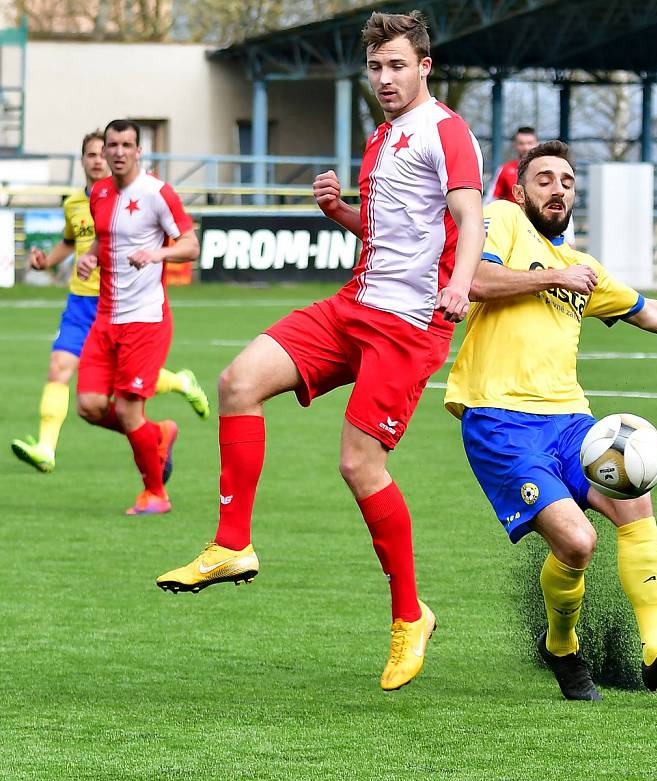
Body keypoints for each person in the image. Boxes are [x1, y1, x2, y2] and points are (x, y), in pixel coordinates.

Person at [156, 10, 485, 692]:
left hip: (408, 326)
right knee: (237, 381)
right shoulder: (383, 136)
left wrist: (458, 283)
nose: (385, 79)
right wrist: (340, 213)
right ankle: (232, 544)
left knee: (358, 463)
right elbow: (391, 227)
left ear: (425, 66)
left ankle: (408, 618)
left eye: (397, 66)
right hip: (353, 305)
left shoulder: (446, 131)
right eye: (376, 68)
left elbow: (468, 216)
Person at [445, 140, 657, 700]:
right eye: (545, 179)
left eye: (568, 181)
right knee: (577, 545)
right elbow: (474, 281)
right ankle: (561, 647)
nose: (558, 188)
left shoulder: (584, 266)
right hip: (501, 421)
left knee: (634, 500)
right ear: (520, 190)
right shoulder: (501, 220)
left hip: (570, 419)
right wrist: (555, 279)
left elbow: (649, 311)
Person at [11, 130, 209, 475]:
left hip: (119, 306)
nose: (99, 160)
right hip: (80, 302)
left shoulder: (129, 198)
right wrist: (48, 261)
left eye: (104, 153)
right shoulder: (77, 202)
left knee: (122, 385)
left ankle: (178, 385)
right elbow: (71, 242)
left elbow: (182, 243)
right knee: (60, 370)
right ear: (84, 159)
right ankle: (46, 447)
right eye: (92, 155)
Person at [75, 119, 201, 515]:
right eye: (112, 145)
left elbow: (191, 245)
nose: (118, 152)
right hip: (105, 318)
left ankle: (155, 494)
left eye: (126, 144)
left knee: (129, 410)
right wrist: (91, 256)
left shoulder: (157, 193)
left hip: (145, 320)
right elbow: (104, 235)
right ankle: (157, 434)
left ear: (138, 150)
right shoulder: (99, 192)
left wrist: (157, 254)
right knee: (89, 405)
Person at [486, 126, 576, 246]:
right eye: (521, 143)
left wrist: (570, 240)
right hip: (516, 232)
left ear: (537, 143)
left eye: (529, 143)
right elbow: (490, 201)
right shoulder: (505, 170)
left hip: (546, 226)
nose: (526, 147)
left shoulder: (555, 171)